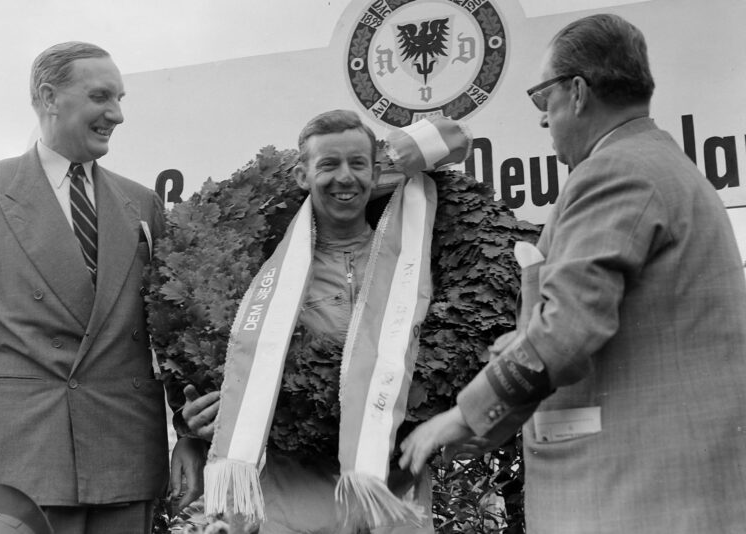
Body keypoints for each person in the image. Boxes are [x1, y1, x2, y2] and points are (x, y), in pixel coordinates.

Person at [399, 13, 746, 533]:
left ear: (578, 92)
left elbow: (568, 329)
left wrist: (467, 414)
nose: (542, 120)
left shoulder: (614, 172)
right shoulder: (655, 164)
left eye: (543, 100)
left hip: (634, 497)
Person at [0, 41, 197, 534]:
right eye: (102, 97)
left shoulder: (141, 202)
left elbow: (172, 334)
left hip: (125, 453)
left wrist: (188, 433)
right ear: (49, 96)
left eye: (121, 98)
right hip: (26, 458)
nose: (118, 114)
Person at [180, 110, 471, 533]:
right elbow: (220, 370)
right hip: (292, 506)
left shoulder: (418, 260)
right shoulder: (261, 274)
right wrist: (195, 423)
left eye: (358, 163)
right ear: (302, 176)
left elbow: (455, 135)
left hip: (392, 506)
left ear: (377, 172)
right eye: (328, 165)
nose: (345, 178)